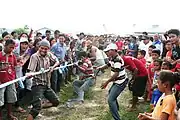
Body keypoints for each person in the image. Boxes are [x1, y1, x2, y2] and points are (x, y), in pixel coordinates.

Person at [26, 40, 60, 120]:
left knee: (56, 102)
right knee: (36, 109)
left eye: (46, 49)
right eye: (42, 48)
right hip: (37, 85)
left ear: (48, 49)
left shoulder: (49, 54)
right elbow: (30, 71)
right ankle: (36, 108)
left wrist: (53, 67)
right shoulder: (34, 56)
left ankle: (39, 106)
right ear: (39, 47)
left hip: (47, 84)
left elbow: (57, 61)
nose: (43, 50)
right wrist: (29, 74)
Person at [97, 43, 128, 120]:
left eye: (108, 51)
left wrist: (106, 82)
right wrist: (101, 67)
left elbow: (116, 74)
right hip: (118, 81)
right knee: (111, 94)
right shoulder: (113, 58)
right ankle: (116, 110)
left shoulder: (117, 60)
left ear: (114, 50)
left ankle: (117, 118)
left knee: (111, 100)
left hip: (121, 81)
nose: (107, 52)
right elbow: (108, 64)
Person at [0, 39, 18, 120]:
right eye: (10, 47)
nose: (12, 49)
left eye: (13, 48)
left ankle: (9, 114)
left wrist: (16, 80)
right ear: (5, 46)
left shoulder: (13, 56)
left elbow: (14, 68)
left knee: (11, 98)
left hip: (11, 80)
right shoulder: (0, 55)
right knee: (0, 100)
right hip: (1, 81)